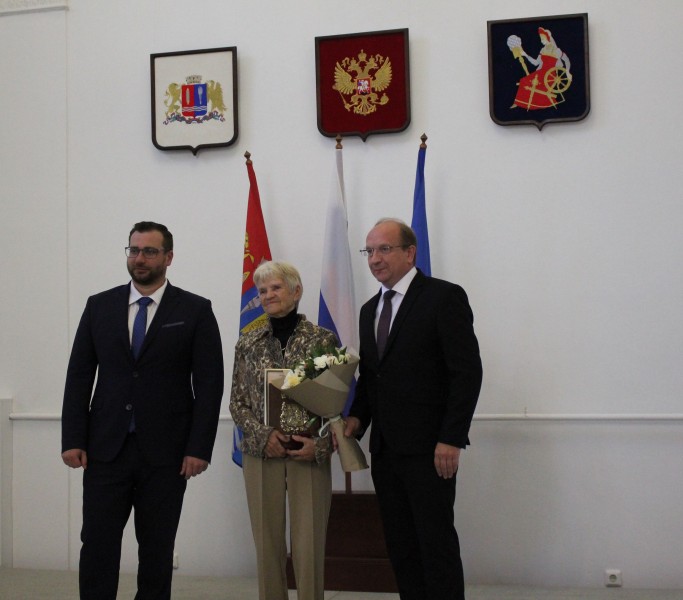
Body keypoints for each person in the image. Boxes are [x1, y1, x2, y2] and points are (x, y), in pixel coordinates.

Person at [61, 221, 224, 600]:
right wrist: (73, 438)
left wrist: (199, 448)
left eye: (150, 251)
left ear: (168, 257)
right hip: (105, 450)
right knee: (97, 544)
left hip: (167, 455)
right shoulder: (99, 306)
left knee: (156, 548)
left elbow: (209, 385)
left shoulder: (195, 310)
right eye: (133, 250)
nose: (140, 258)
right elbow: (79, 376)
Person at [344, 218, 483, 600]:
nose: (374, 258)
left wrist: (451, 438)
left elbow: (466, 373)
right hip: (386, 451)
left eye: (384, 249)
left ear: (410, 252)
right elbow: (372, 377)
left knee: (435, 544)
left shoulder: (443, 297)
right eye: (369, 251)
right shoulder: (369, 309)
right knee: (401, 546)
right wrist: (357, 418)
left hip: (431, 450)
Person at [229, 261, 338, 600]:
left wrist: (320, 445)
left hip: (309, 452)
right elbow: (237, 403)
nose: (268, 295)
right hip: (262, 454)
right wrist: (264, 437)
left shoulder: (322, 340)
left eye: (275, 287)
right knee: (267, 546)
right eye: (262, 290)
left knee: (309, 546)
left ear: (296, 291)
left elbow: (334, 405)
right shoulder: (248, 343)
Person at [512, 27, 572, 110]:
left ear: (548, 38)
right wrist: (525, 54)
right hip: (541, 72)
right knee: (523, 80)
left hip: (550, 76)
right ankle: (519, 102)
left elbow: (567, 60)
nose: (541, 41)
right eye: (541, 39)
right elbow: (536, 63)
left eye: (543, 39)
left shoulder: (557, 51)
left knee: (526, 81)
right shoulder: (543, 50)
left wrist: (568, 71)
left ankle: (522, 102)